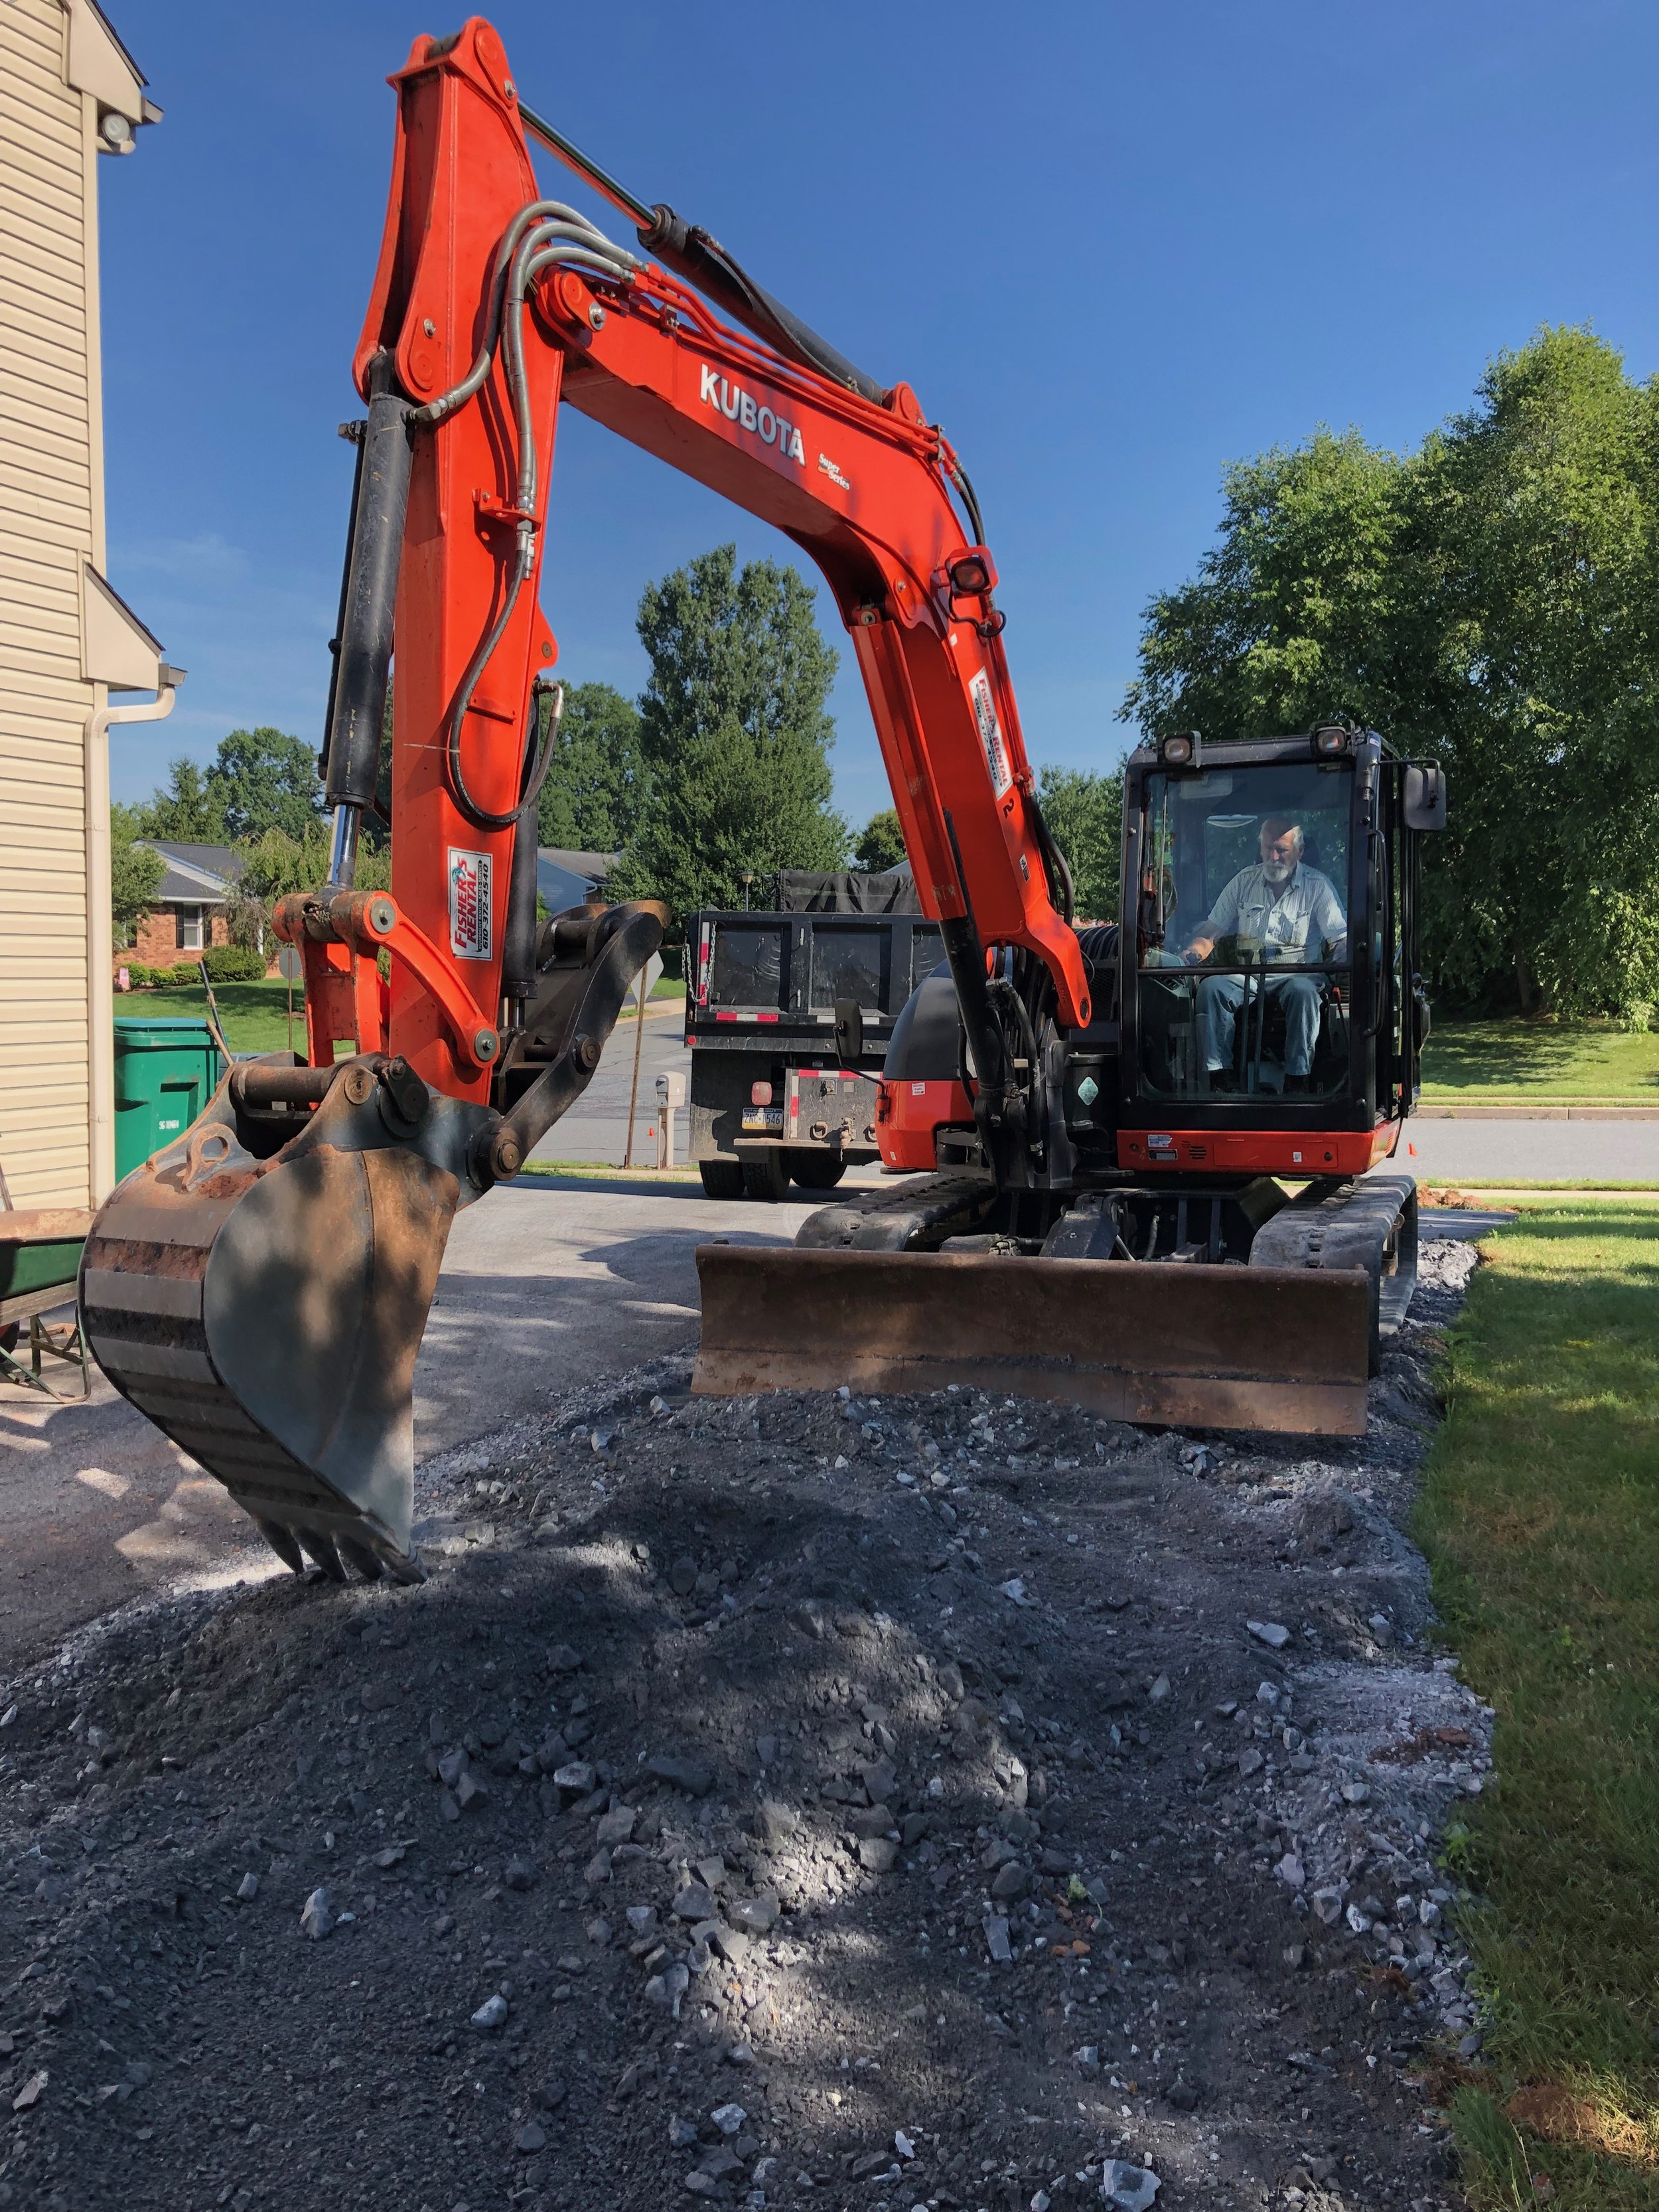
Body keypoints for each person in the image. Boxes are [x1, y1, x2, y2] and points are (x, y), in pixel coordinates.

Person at [1183, 818, 1346, 1092]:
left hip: (1297, 973)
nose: (1273, 857)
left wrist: (1343, 957)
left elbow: (1339, 940)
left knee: (1304, 993)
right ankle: (1219, 1079)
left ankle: (1297, 1080)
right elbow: (1210, 933)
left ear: (1300, 852)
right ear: (1260, 849)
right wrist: (1188, 956)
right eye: (1268, 849)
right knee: (1212, 988)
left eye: (1281, 850)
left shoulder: (1318, 886)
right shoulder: (1243, 881)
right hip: (1248, 974)